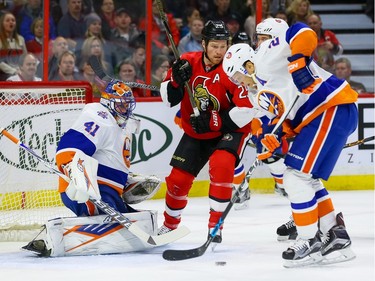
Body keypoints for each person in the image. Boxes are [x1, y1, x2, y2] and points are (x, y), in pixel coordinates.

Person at [224, 18, 357, 267]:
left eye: (238, 77)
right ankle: (335, 234)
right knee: (306, 179)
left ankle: (309, 240)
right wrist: (278, 136)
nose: (240, 84)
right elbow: (286, 117)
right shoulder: (260, 94)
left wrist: (298, 63)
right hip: (322, 116)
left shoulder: (265, 57)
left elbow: (301, 31)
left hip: (330, 108)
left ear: (247, 64)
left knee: (296, 178)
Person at [23, 79, 163, 257]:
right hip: (87, 191)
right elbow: (68, 148)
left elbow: (110, 161)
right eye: (121, 105)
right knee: (110, 219)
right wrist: (77, 176)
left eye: (128, 105)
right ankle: (49, 239)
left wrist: (127, 181)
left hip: (109, 193)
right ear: (108, 103)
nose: (126, 109)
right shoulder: (100, 118)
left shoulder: (121, 126)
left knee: (134, 218)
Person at [157, 20, 255, 244]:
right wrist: (175, 81)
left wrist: (214, 121)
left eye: (223, 46)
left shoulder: (233, 67)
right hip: (197, 131)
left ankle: (215, 226)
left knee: (221, 166)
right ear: (203, 44)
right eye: (214, 46)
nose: (220, 52)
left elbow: (246, 110)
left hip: (230, 129)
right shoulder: (187, 62)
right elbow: (168, 99)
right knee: (177, 181)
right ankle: (170, 225)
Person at [0, 11, 27, 81]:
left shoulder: (21, 39)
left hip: (20, 73)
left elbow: (25, 58)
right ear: (2, 24)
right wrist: (13, 71)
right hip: (3, 76)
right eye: (7, 20)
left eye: (13, 20)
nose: (11, 22)